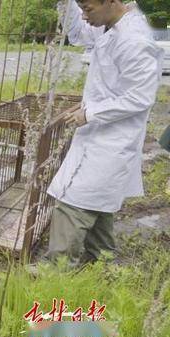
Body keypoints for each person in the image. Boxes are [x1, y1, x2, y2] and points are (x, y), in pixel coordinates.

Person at [45, 0, 163, 267]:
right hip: (101, 134)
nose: (84, 16)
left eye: (87, 9)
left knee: (74, 200)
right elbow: (77, 34)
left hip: (112, 137)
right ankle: (102, 262)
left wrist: (91, 112)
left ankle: (57, 270)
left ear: (112, 1)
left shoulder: (133, 39)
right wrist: (64, 4)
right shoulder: (109, 24)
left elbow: (140, 97)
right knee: (98, 200)